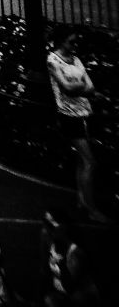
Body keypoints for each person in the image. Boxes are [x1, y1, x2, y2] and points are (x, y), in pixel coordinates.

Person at [46, 28, 107, 222]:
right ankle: (91, 209)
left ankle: (83, 199)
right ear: (61, 42)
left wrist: (79, 88)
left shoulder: (76, 59)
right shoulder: (53, 61)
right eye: (71, 42)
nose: (74, 46)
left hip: (84, 113)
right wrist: (82, 88)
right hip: (69, 116)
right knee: (90, 161)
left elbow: (89, 87)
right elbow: (67, 88)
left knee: (82, 160)